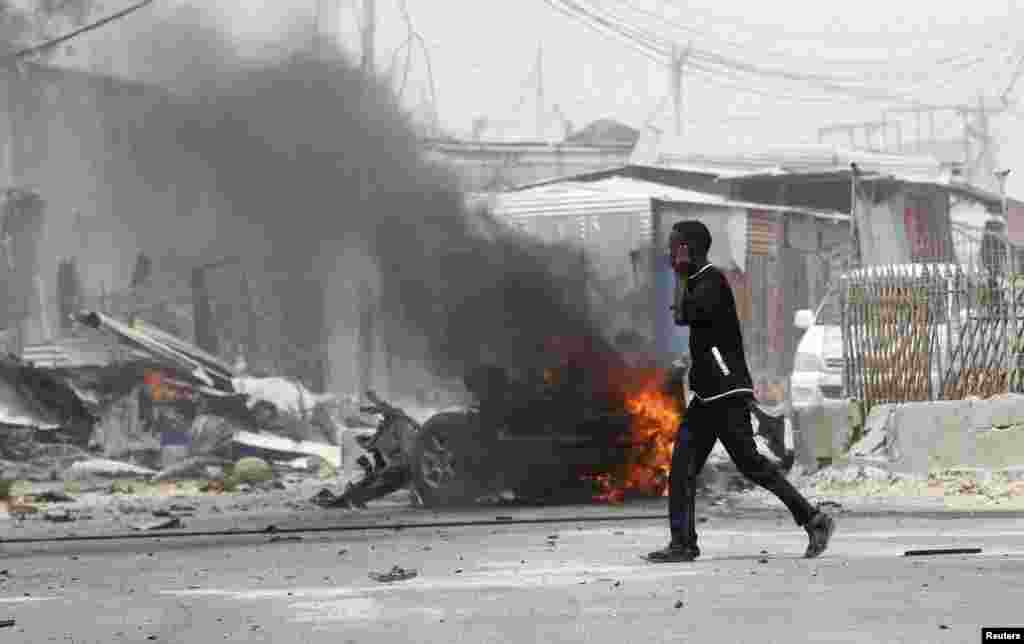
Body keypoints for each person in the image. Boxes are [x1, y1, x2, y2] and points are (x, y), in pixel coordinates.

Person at [647, 220, 835, 563]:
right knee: (683, 469)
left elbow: (682, 316)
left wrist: (679, 273)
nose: (670, 252)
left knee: (752, 466)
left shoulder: (711, 281)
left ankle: (814, 519)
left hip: (724, 393)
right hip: (708, 394)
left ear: (688, 248)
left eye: (675, 246)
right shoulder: (698, 280)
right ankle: (683, 544)